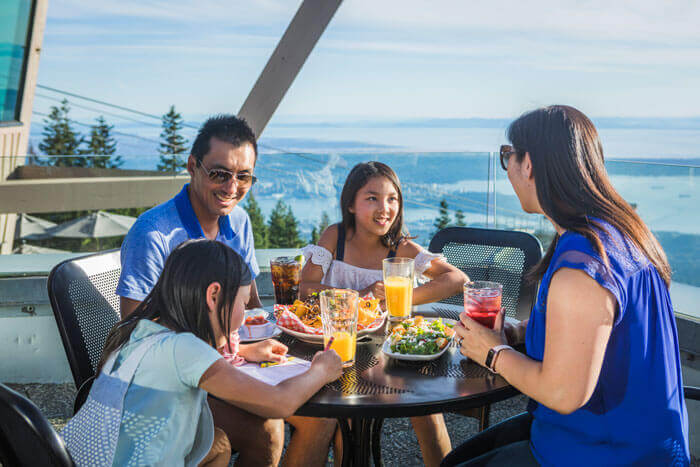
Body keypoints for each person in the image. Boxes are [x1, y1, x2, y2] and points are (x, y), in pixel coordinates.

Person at [443, 105, 689, 466]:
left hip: (605, 452)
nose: (507, 168)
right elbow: (595, 336)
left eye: (506, 156)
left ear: (528, 165)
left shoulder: (581, 269)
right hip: (630, 439)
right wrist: (516, 333)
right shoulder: (615, 234)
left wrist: (493, 353)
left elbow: (563, 393)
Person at [116, 115, 338, 466]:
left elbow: (248, 305)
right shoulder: (153, 234)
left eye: (244, 176)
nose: (231, 187)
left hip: (224, 362)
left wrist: (248, 347)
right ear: (193, 166)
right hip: (175, 382)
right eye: (219, 173)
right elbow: (137, 332)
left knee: (323, 417)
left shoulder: (239, 222)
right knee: (268, 427)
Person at [63, 239, 343, 467]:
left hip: (87, 458)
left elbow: (175, 364)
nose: (243, 316)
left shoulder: (140, 330)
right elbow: (279, 404)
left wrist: (242, 350)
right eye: (242, 305)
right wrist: (321, 369)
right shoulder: (185, 350)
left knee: (216, 445)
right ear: (213, 296)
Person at [300, 161, 468, 467]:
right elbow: (305, 288)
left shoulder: (400, 248)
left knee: (428, 412)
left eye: (393, 199)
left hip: (392, 357)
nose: (385, 208)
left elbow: (457, 279)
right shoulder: (334, 237)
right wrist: (357, 299)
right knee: (344, 423)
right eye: (372, 198)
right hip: (339, 355)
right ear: (350, 204)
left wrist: (397, 298)